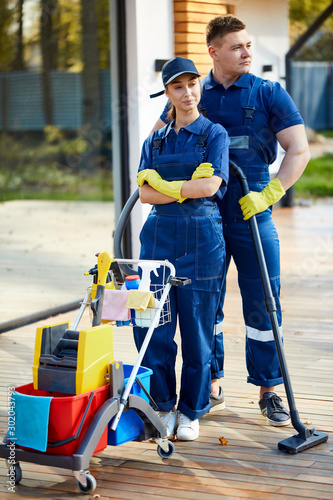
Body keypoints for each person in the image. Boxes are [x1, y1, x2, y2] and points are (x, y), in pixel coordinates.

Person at [152, 15, 310, 427]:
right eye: (237, 46)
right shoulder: (191, 93)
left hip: (252, 212)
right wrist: (165, 186)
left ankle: (269, 390)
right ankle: (214, 383)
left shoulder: (269, 94)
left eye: (249, 45)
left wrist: (271, 193)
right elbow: (158, 145)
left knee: (264, 301)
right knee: (207, 303)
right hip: (203, 220)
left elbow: (299, 150)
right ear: (214, 51)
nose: (247, 52)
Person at [133, 56, 229, 441]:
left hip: (202, 241)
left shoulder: (214, 135)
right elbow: (142, 194)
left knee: (197, 329)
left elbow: (209, 188)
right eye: (178, 87)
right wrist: (184, 187)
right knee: (152, 328)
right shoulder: (154, 140)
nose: (187, 93)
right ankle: (160, 407)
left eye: (193, 84)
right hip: (157, 240)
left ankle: (190, 411)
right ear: (167, 94)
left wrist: (166, 188)